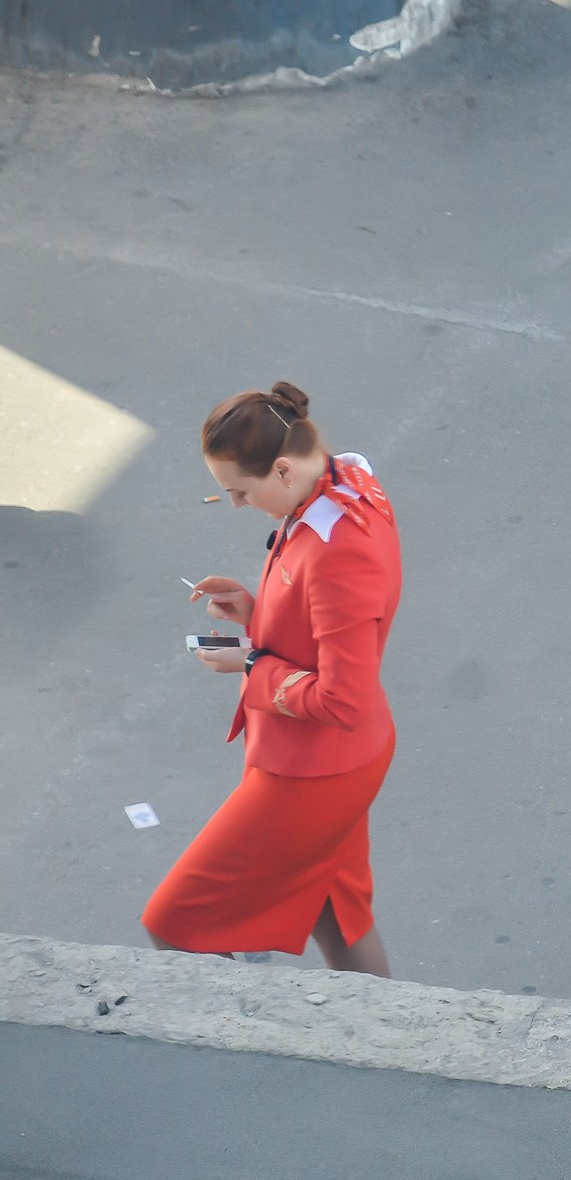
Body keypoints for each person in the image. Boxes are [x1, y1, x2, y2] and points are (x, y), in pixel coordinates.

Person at [143, 382, 402, 976]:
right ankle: (386, 1044)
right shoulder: (339, 486)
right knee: (338, 912)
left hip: (315, 773)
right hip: (339, 759)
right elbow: (326, 624)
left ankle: (231, 1050)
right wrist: (256, 612)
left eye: (239, 492)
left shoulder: (342, 550)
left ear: (282, 470)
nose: (236, 505)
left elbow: (341, 696)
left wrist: (252, 664)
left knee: (177, 922)